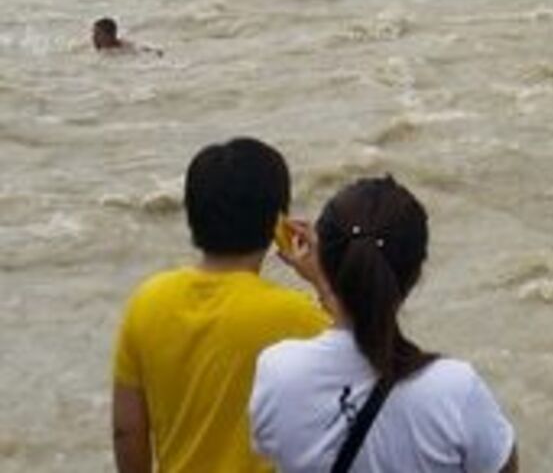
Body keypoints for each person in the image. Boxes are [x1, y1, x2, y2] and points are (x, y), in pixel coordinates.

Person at [250, 176, 518, 473]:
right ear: (416, 273)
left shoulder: (278, 372)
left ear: (327, 261)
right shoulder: (455, 390)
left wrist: (324, 281)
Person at [112, 139, 330, 473]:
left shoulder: (147, 302)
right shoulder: (299, 317)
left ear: (191, 213)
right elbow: (370, 370)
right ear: (277, 223)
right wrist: (323, 281)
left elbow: (127, 430)